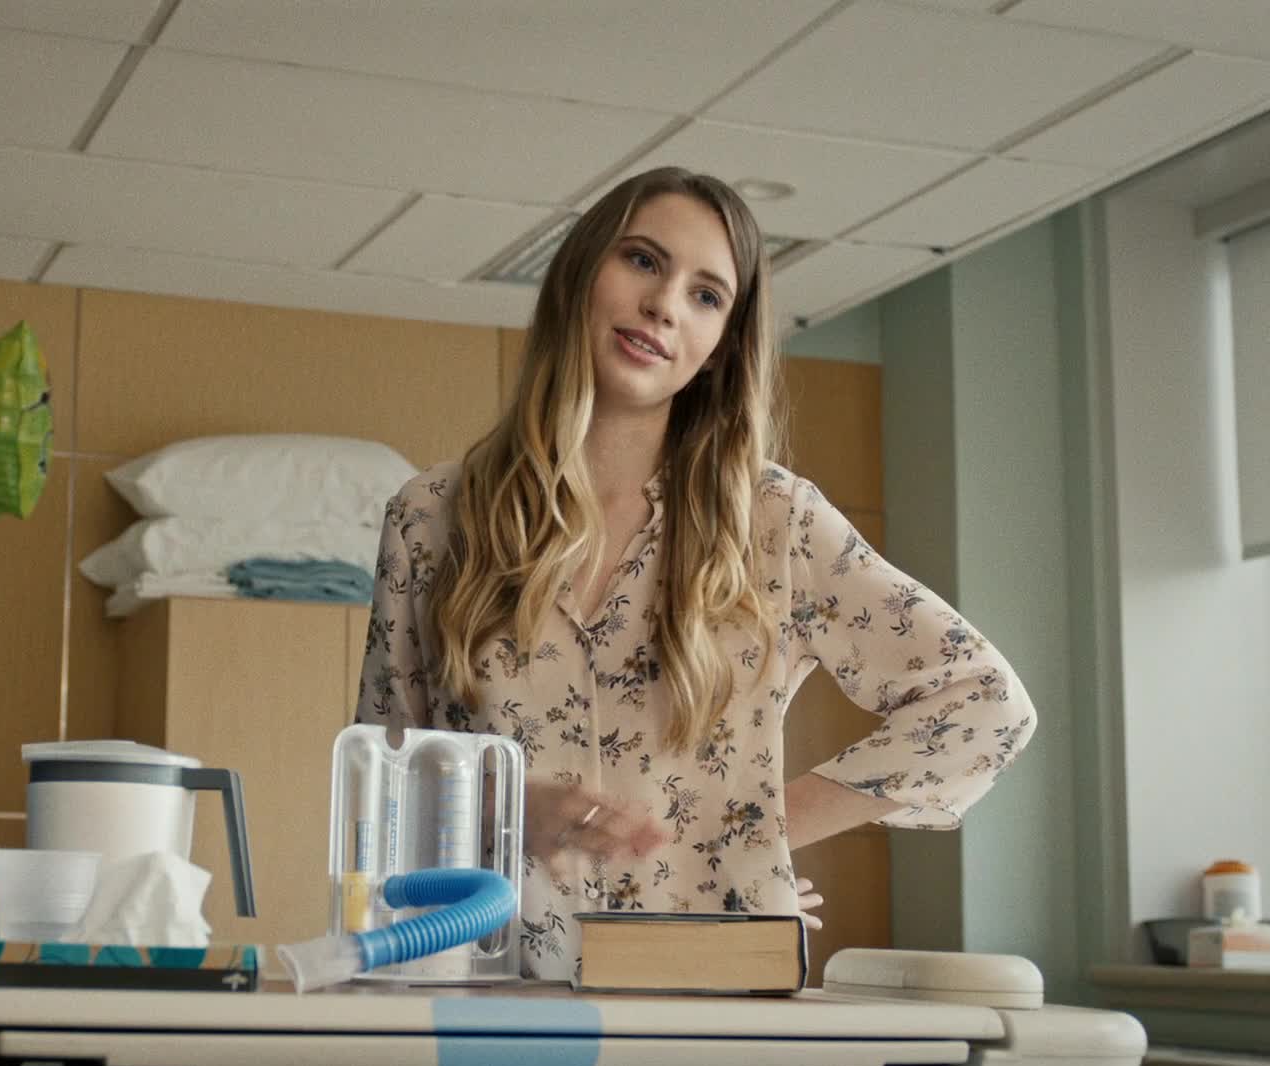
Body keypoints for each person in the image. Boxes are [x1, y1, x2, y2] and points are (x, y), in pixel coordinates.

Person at [355, 165, 1036, 982]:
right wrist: (507, 810)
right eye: (643, 260)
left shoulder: (776, 521)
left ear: (722, 346)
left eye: (706, 295)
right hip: (485, 986)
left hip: (712, 991)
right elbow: (381, 791)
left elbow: (984, 705)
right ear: (581, 274)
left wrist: (756, 832)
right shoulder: (432, 519)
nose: (664, 305)